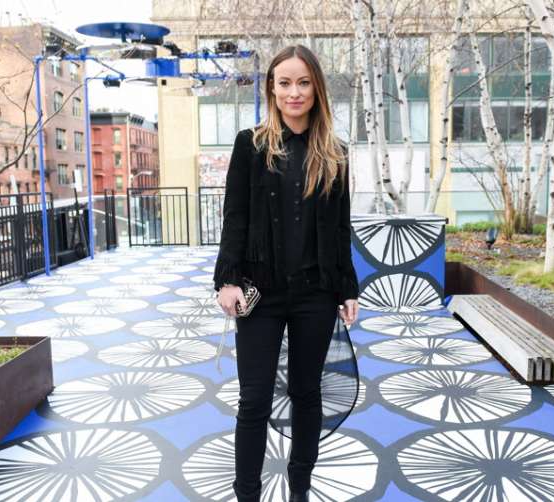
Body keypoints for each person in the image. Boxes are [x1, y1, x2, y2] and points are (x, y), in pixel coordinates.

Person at [213, 44, 359, 502]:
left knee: (306, 393)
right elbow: (235, 215)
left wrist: (347, 287)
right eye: (284, 83)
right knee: (254, 399)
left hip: (316, 293)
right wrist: (227, 279)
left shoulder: (335, 152)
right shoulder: (250, 145)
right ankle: (247, 495)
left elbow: (340, 227)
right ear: (272, 89)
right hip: (261, 292)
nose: (294, 92)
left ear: (316, 89)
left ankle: (300, 490)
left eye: (303, 82)